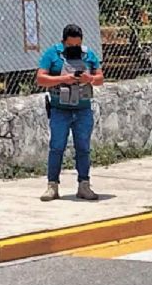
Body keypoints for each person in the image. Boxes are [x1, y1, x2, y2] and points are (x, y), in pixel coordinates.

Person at [35, 24, 104, 201]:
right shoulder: (52, 54)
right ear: (63, 42)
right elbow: (41, 78)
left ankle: (84, 185)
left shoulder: (88, 54)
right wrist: (64, 79)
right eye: (71, 45)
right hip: (60, 110)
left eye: (77, 45)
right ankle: (52, 186)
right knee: (56, 147)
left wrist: (89, 78)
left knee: (83, 148)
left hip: (82, 110)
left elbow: (100, 78)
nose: (74, 48)